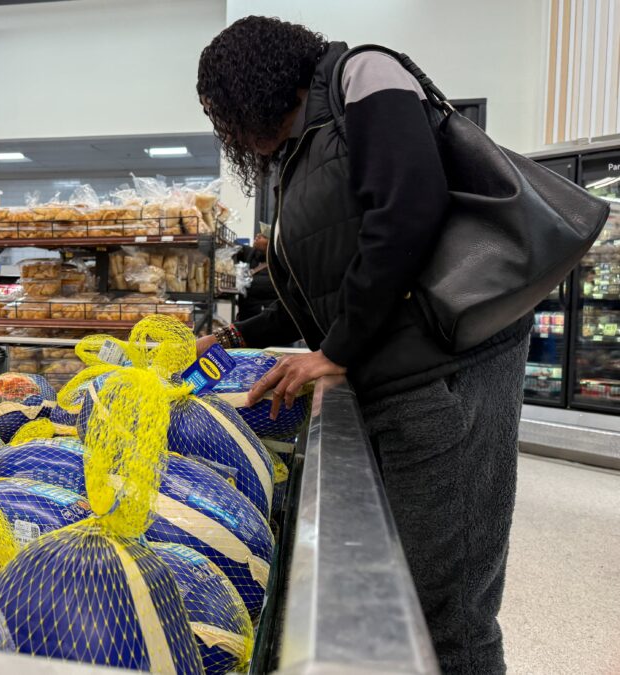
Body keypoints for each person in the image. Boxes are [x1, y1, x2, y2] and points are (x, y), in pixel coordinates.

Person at [195, 17, 530, 674]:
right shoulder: (307, 146)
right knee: (415, 584)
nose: (229, 133)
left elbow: (408, 209)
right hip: (408, 378)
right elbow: (331, 275)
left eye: (225, 115)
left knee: (450, 612)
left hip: (448, 373)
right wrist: (236, 334)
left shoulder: (366, 77)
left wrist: (338, 348)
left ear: (255, 88)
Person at [233, 226, 279, 322]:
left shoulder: (277, 265)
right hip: (244, 317)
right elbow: (233, 246)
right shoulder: (251, 254)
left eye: (264, 236)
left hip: (264, 321)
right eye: (259, 233)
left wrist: (243, 282)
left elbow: (263, 287)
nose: (258, 236)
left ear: (271, 244)